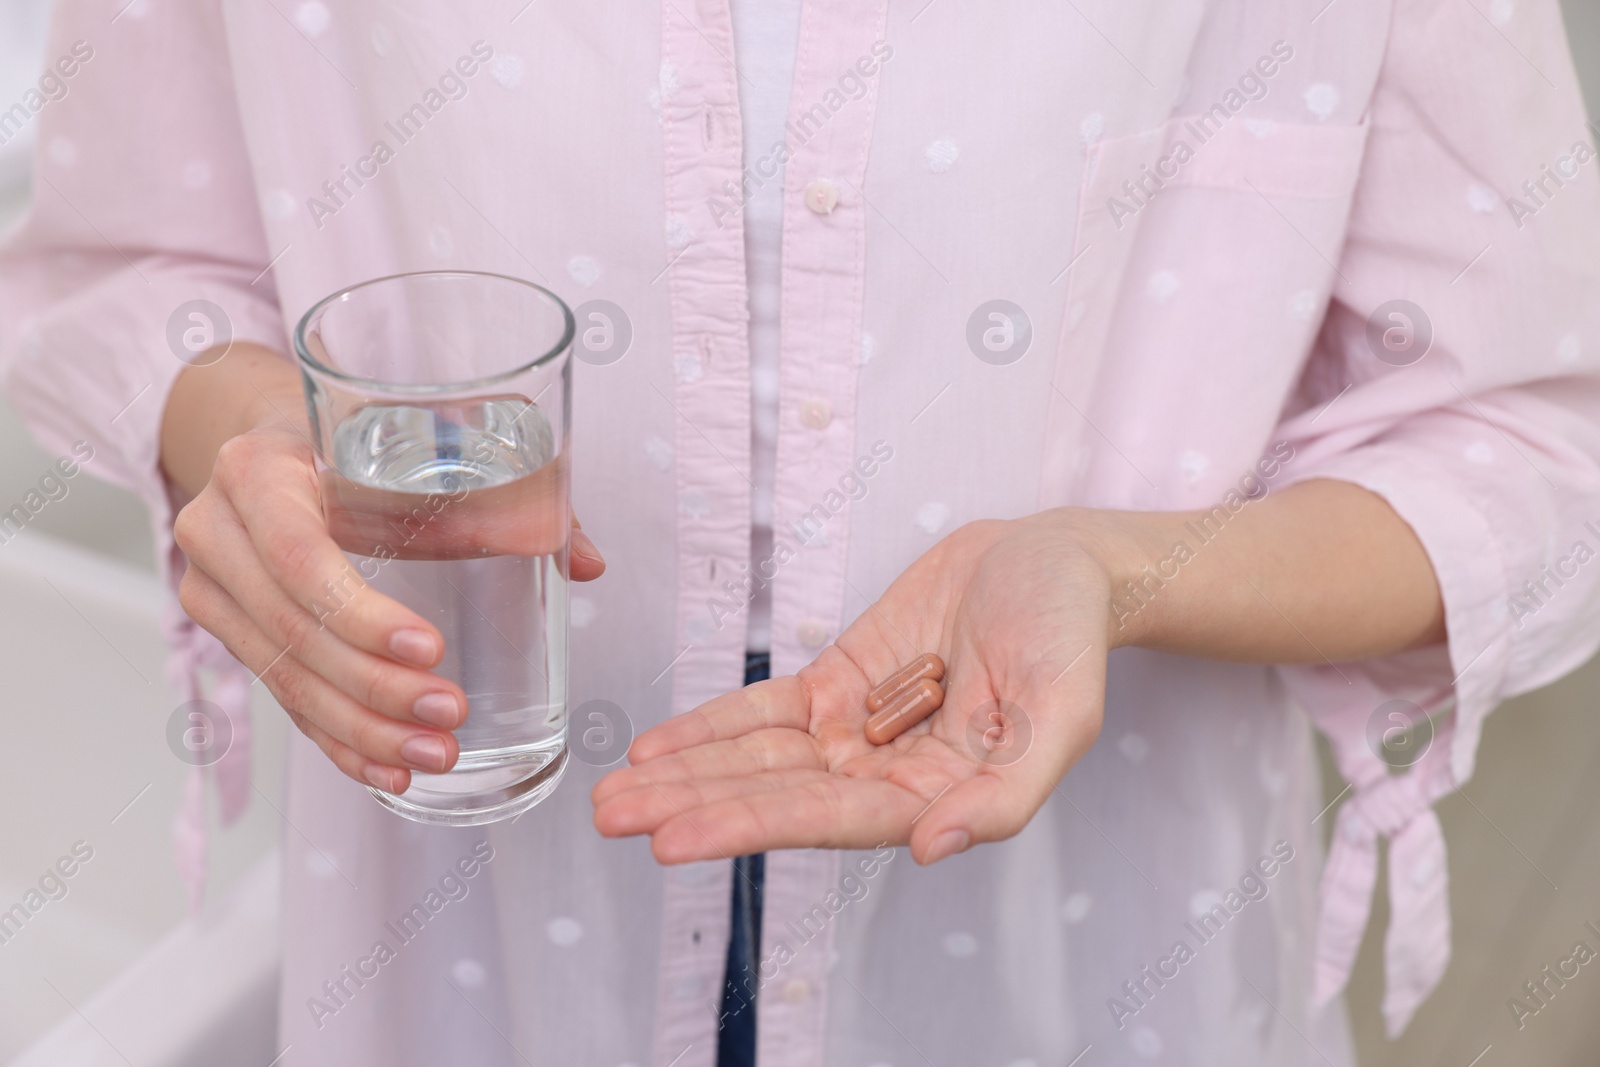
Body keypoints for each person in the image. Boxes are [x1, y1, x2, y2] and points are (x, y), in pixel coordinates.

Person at [4, 0, 1600, 1064]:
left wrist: (1116, 572)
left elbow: (1536, 434)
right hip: (473, 904)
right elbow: (132, 257)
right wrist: (249, 440)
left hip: (1084, 926)